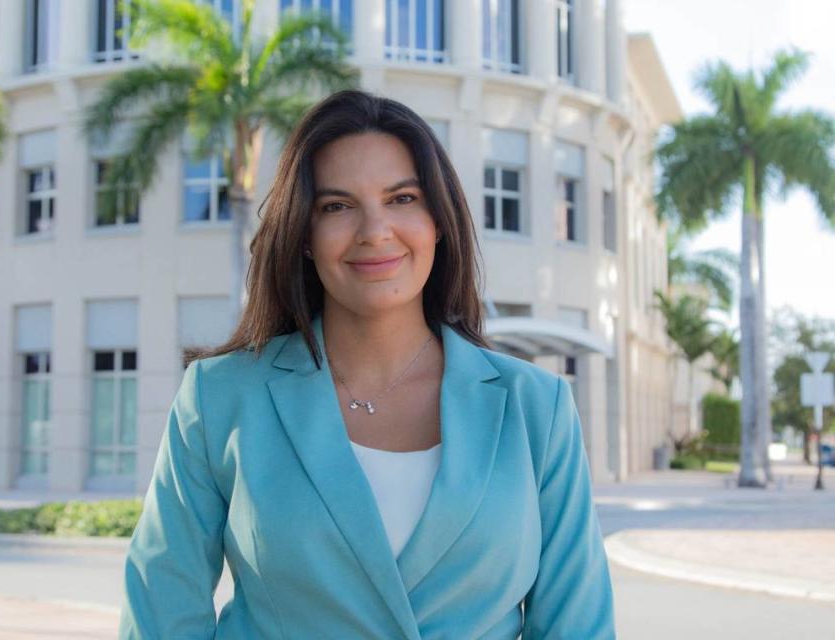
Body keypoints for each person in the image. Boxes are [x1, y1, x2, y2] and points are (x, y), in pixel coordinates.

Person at [119, 89, 616, 639]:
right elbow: (161, 614)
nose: (374, 231)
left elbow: (577, 626)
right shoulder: (218, 398)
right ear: (305, 235)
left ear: (438, 221)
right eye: (336, 206)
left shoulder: (538, 408)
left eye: (402, 198)